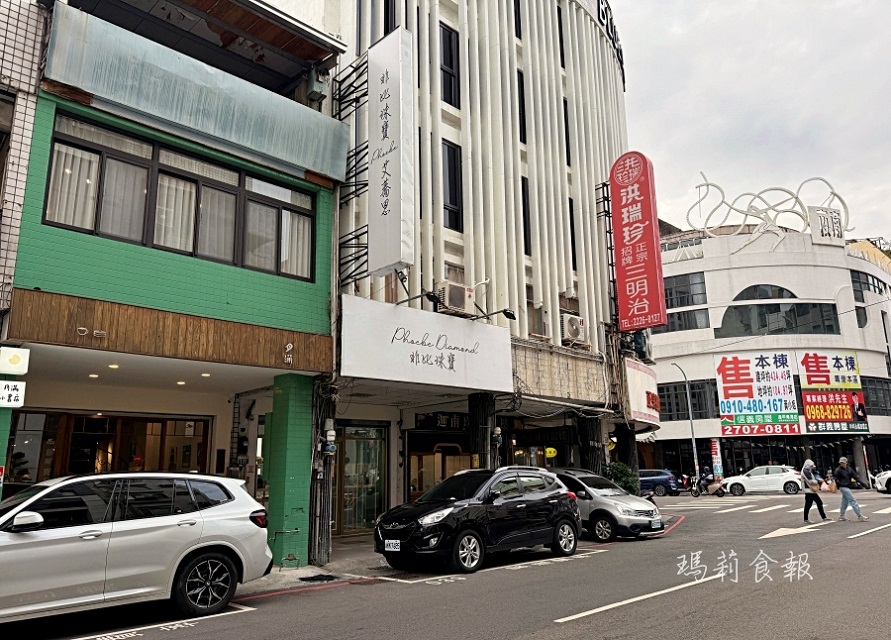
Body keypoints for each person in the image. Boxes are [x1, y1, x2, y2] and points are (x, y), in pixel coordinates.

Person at [833, 456, 869, 522]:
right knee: (852, 500)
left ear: (846, 462)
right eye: (841, 463)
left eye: (843, 463)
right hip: (843, 487)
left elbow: (856, 477)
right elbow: (835, 479)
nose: (842, 464)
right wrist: (839, 484)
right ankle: (859, 516)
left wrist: (864, 484)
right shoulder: (838, 470)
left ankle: (841, 516)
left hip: (847, 486)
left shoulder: (849, 469)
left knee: (845, 502)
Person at [801, 459, 829, 523]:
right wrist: (818, 481)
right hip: (809, 490)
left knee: (818, 503)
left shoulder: (808, 471)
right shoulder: (806, 471)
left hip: (811, 490)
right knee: (809, 505)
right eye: (811, 466)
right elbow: (810, 481)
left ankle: (824, 517)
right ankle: (806, 519)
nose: (812, 467)